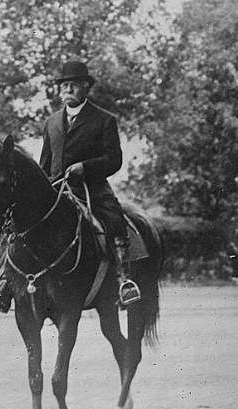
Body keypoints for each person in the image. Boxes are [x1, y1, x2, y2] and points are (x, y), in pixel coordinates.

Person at [39, 60, 140, 306]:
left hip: (91, 190)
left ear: (86, 87)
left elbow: (113, 160)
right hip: (56, 191)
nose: (69, 90)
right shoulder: (51, 123)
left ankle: (122, 281)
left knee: (115, 220)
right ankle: (2, 282)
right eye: (64, 85)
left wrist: (86, 168)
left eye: (74, 85)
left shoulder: (104, 119)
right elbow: (44, 164)